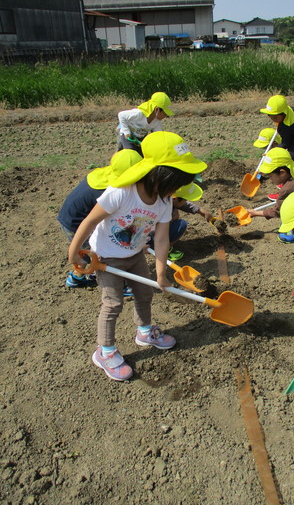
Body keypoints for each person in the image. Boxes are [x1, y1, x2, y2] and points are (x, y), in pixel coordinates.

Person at [68, 131, 207, 381]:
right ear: (162, 174)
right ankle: (105, 351)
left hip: (135, 254)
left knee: (144, 294)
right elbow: (90, 221)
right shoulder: (121, 192)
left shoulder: (164, 201)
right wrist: (74, 252)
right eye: (177, 183)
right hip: (106, 259)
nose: (177, 191)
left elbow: (162, 238)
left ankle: (144, 332)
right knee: (113, 303)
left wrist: (162, 271)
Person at [58, 149, 142, 291]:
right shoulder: (110, 190)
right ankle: (117, 286)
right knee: (104, 249)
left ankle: (79, 277)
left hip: (69, 217)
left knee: (87, 252)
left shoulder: (100, 174)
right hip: (77, 223)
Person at [247, 148, 294, 244]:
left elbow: (277, 212)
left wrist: (254, 213)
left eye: (270, 176)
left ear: (282, 172)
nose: (270, 179)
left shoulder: (287, 189)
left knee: (284, 230)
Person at [147, 182, 214, 261]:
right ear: (174, 199)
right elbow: (150, 228)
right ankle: (162, 251)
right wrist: (170, 219)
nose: (186, 201)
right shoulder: (158, 207)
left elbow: (184, 205)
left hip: (153, 234)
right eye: (185, 199)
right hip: (147, 239)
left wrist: (201, 211)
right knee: (181, 225)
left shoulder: (168, 198)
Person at [260, 94, 294, 168]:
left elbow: (285, 144)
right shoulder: (291, 110)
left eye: (275, 117)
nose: (272, 119)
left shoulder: (287, 127)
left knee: (291, 158)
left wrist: (271, 153)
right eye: (269, 115)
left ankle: (292, 172)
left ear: (284, 114)